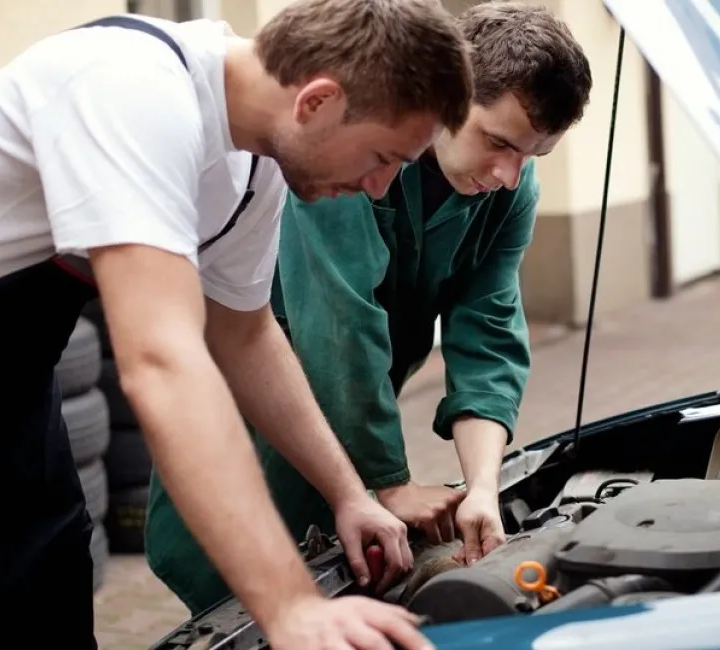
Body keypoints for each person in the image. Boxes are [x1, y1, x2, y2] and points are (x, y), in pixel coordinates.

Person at [0, 2, 473, 649]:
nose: (379, 187)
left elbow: (244, 336)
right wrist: (289, 606)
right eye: (382, 156)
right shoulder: (131, 88)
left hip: (10, 384)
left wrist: (350, 494)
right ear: (318, 101)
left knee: (49, 579)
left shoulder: (254, 163)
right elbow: (163, 364)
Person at [145, 0, 594, 615]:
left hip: (353, 415)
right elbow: (340, 321)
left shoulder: (507, 189)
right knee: (236, 592)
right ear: (452, 97)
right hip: (257, 404)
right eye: (498, 142)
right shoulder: (353, 150)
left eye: (531, 157)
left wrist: (483, 488)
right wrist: (391, 482)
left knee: (340, 569)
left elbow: (487, 330)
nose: (510, 175)